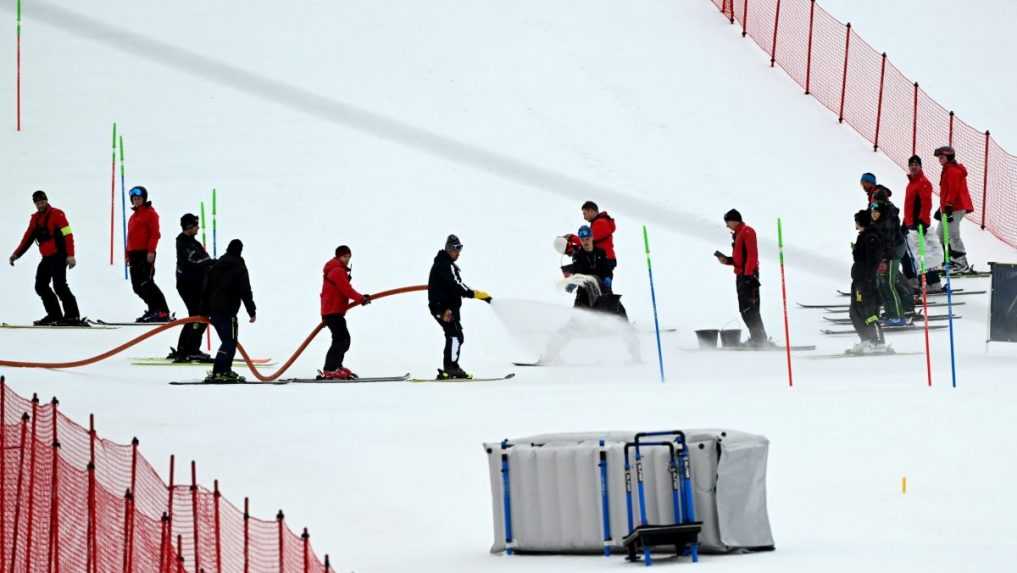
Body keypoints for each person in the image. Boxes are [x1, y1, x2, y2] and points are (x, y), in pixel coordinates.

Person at [8, 191, 83, 326]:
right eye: (37, 203)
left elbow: (68, 235)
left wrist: (71, 255)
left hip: (59, 255)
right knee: (40, 286)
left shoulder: (57, 214)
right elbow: (27, 238)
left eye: (42, 202)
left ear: (46, 200)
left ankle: (73, 317)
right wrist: (16, 254)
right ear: (35, 204)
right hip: (47, 257)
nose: (40, 205)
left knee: (59, 285)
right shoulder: (35, 219)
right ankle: (55, 315)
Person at [427, 234, 491, 379]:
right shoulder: (445, 264)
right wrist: (474, 293)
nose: (458, 253)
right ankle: (451, 368)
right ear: (449, 249)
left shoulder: (444, 264)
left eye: (460, 249)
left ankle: (449, 368)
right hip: (443, 307)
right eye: (456, 249)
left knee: (454, 335)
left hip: (445, 307)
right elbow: (456, 285)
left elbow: (451, 285)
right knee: (455, 335)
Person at [201, 239, 256, 383]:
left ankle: (224, 370)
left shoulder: (217, 264)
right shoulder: (239, 266)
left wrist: (205, 308)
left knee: (228, 341)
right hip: (228, 311)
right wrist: (252, 311)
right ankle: (220, 371)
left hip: (213, 310)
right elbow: (245, 291)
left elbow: (206, 286)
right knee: (229, 341)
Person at [714, 209, 768, 347]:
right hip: (742, 275)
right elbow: (741, 259)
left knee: (751, 310)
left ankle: (760, 341)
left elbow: (752, 255)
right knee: (745, 310)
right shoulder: (738, 234)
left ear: (734, 220)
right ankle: (758, 339)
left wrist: (749, 275)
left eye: (727, 222)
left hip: (748, 276)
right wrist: (727, 260)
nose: (727, 226)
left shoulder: (747, 232)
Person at [319, 245, 371, 380]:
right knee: (341, 340)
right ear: (338, 256)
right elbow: (346, 290)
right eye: (345, 257)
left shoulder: (338, 270)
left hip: (334, 311)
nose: (347, 259)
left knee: (344, 340)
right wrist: (361, 299)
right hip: (332, 312)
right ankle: (330, 369)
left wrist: (361, 297)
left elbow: (346, 289)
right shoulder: (337, 271)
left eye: (349, 257)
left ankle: (336, 366)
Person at [170, 213, 214, 363]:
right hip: (188, 286)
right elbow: (195, 261)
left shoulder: (193, 242)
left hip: (196, 285)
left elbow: (204, 258)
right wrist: (210, 262)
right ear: (189, 227)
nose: (198, 227)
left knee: (198, 316)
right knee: (198, 316)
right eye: (195, 225)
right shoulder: (183, 243)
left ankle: (185, 348)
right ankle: (190, 350)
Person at [126, 186, 171, 322]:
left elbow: (155, 234)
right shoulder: (134, 216)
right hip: (134, 254)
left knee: (146, 283)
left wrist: (151, 251)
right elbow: (130, 237)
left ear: (144, 199)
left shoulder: (150, 213)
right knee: (137, 286)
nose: (136, 200)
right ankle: (153, 309)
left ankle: (162, 311)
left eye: (139, 198)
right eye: (134, 198)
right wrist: (127, 254)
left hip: (145, 253)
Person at [869, 191, 914, 325]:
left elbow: (888, 241)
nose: (873, 212)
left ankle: (896, 316)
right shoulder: (882, 216)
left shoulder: (887, 219)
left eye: (875, 209)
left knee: (887, 283)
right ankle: (898, 309)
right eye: (872, 209)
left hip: (892, 252)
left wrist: (883, 259)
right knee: (887, 282)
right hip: (889, 252)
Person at [902, 155, 944, 293]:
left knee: (924, 257)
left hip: (919, 226)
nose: (913, 167)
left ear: (920, 166)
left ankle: (932, 284)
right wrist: (904, 223)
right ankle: (930, 284)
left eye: (916, 164)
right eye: (911, 164)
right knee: (919, 257)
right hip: (911, 226)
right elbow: (909, 206)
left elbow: (926, 204)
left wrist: (922, 222)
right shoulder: (911, 184)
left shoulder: (923, 182)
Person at [849, 210, 888, 354]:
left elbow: (872, 260)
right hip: (859, 280)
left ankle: (878, 342)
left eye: (857, 222)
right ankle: (866, 339)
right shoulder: (864, 236)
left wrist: (868, 278)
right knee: (855, 312)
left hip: (866, 281)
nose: (855, 226)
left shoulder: (871, 237)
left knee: (869, 312)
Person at [933, 146, 975, 273]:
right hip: (949, 207)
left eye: (942, 157)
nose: (939, 159)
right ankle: (948, 261)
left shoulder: (953, 171)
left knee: (952, 235)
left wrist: (949, 206)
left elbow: (953, 190)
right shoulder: (947, 170)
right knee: (940, 235)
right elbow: (947, 192)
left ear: (949, 157)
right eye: (939, 157)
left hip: (955, 207)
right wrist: (941, 208)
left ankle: (961, 264)